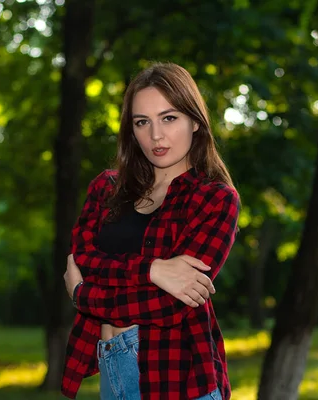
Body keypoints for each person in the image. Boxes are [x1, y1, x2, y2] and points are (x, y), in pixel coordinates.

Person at [61, 62, 240, 400]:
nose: (155, 135)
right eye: (142, 122)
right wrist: (154, 269)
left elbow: (168, 305)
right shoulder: (106, 189)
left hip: (179, 377)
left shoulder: (215, 199)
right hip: (112, 362)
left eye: (169, 118)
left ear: (196, 122)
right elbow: (83, 260)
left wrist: (81, 296)